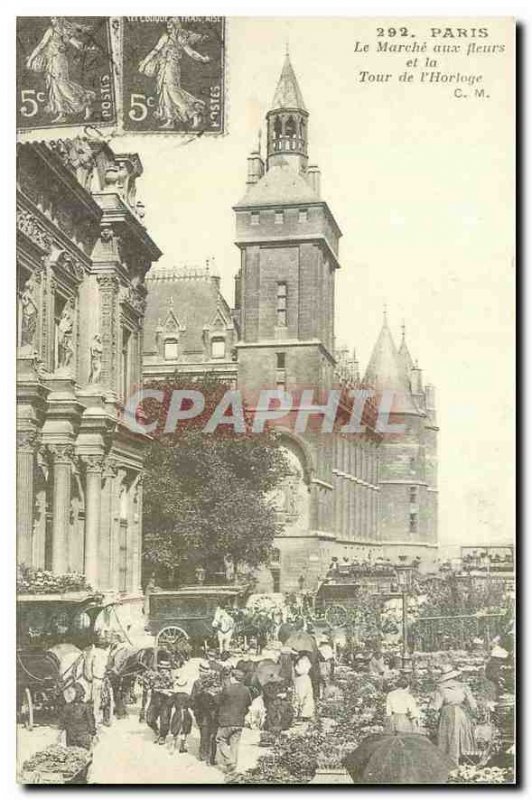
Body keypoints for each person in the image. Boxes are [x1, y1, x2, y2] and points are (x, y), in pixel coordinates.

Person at [138, 18, 210, 129]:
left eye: (171, 24)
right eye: (168, 24)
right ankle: (170, 120)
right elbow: (154, 51)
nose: (169, 26)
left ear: (176, 25)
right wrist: (144, 64)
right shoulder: (164, 37)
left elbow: (190, 52)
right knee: (165, 92)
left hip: (172, 67)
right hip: (163, 68)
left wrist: (202, 59)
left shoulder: (180, 38)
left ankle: (194, 114)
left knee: (173, 91)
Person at [25, 17, 96, 123]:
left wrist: (87, 48)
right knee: (55, 86)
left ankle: (86, 103)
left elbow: (77, 45)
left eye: (54, 18)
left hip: (59, 62)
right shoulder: (53, 31)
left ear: (60, 19)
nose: (52, 20)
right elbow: (41, 46)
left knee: (63, 86)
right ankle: (62, 113)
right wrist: (31, 59)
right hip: (52, 62)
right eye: (52, 19)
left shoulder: (60, 32)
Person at [431, 664, 477, 764]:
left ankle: (450, 758)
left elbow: (435, 706)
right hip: (461, 713)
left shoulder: (440, 688)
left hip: (447, 713)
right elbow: (472, 704)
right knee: (461, 734)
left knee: (449, 735)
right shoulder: (463, 687)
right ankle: (463, 758)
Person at [215, 669, 252, 775]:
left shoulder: (227, 689)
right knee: (234, 743)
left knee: (220, 739)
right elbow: (249, 703)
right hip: (239, 720)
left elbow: (218, 701)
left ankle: (230, 761)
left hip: (226, 720)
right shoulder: (246, 690)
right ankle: (233, 766)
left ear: (233, 677)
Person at [145, 658, 176, 744]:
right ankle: (156, 730)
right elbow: (148, 686)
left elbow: (174, 691)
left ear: (168, 670)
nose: (163, 671)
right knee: (149, 719)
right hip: (154, 702)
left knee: (165, 721)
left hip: (165, 703)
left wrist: (167, 692)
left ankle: (163, 736)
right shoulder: (154, 677)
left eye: (165, 669)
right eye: (161, 669)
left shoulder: (171, 679)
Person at [59, 683, 96, 750]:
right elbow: (63, 722)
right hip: (71, 737)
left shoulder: (86, 707)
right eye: (68, 693)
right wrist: (60, 734)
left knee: (83, 755)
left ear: (78, 693)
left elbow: (91, 721)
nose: (69, 695)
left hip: (83, 738)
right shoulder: (67, 707)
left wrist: (92, 733)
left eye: (71, 693)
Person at [293, 654, 315, 721]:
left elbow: (299, 671)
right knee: (308, 696)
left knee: (299, 695)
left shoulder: (300, 661)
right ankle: (306, 713)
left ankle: (298, 713)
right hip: (306, 678)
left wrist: (295, 665)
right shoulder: (307, 660)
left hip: (301, 679)